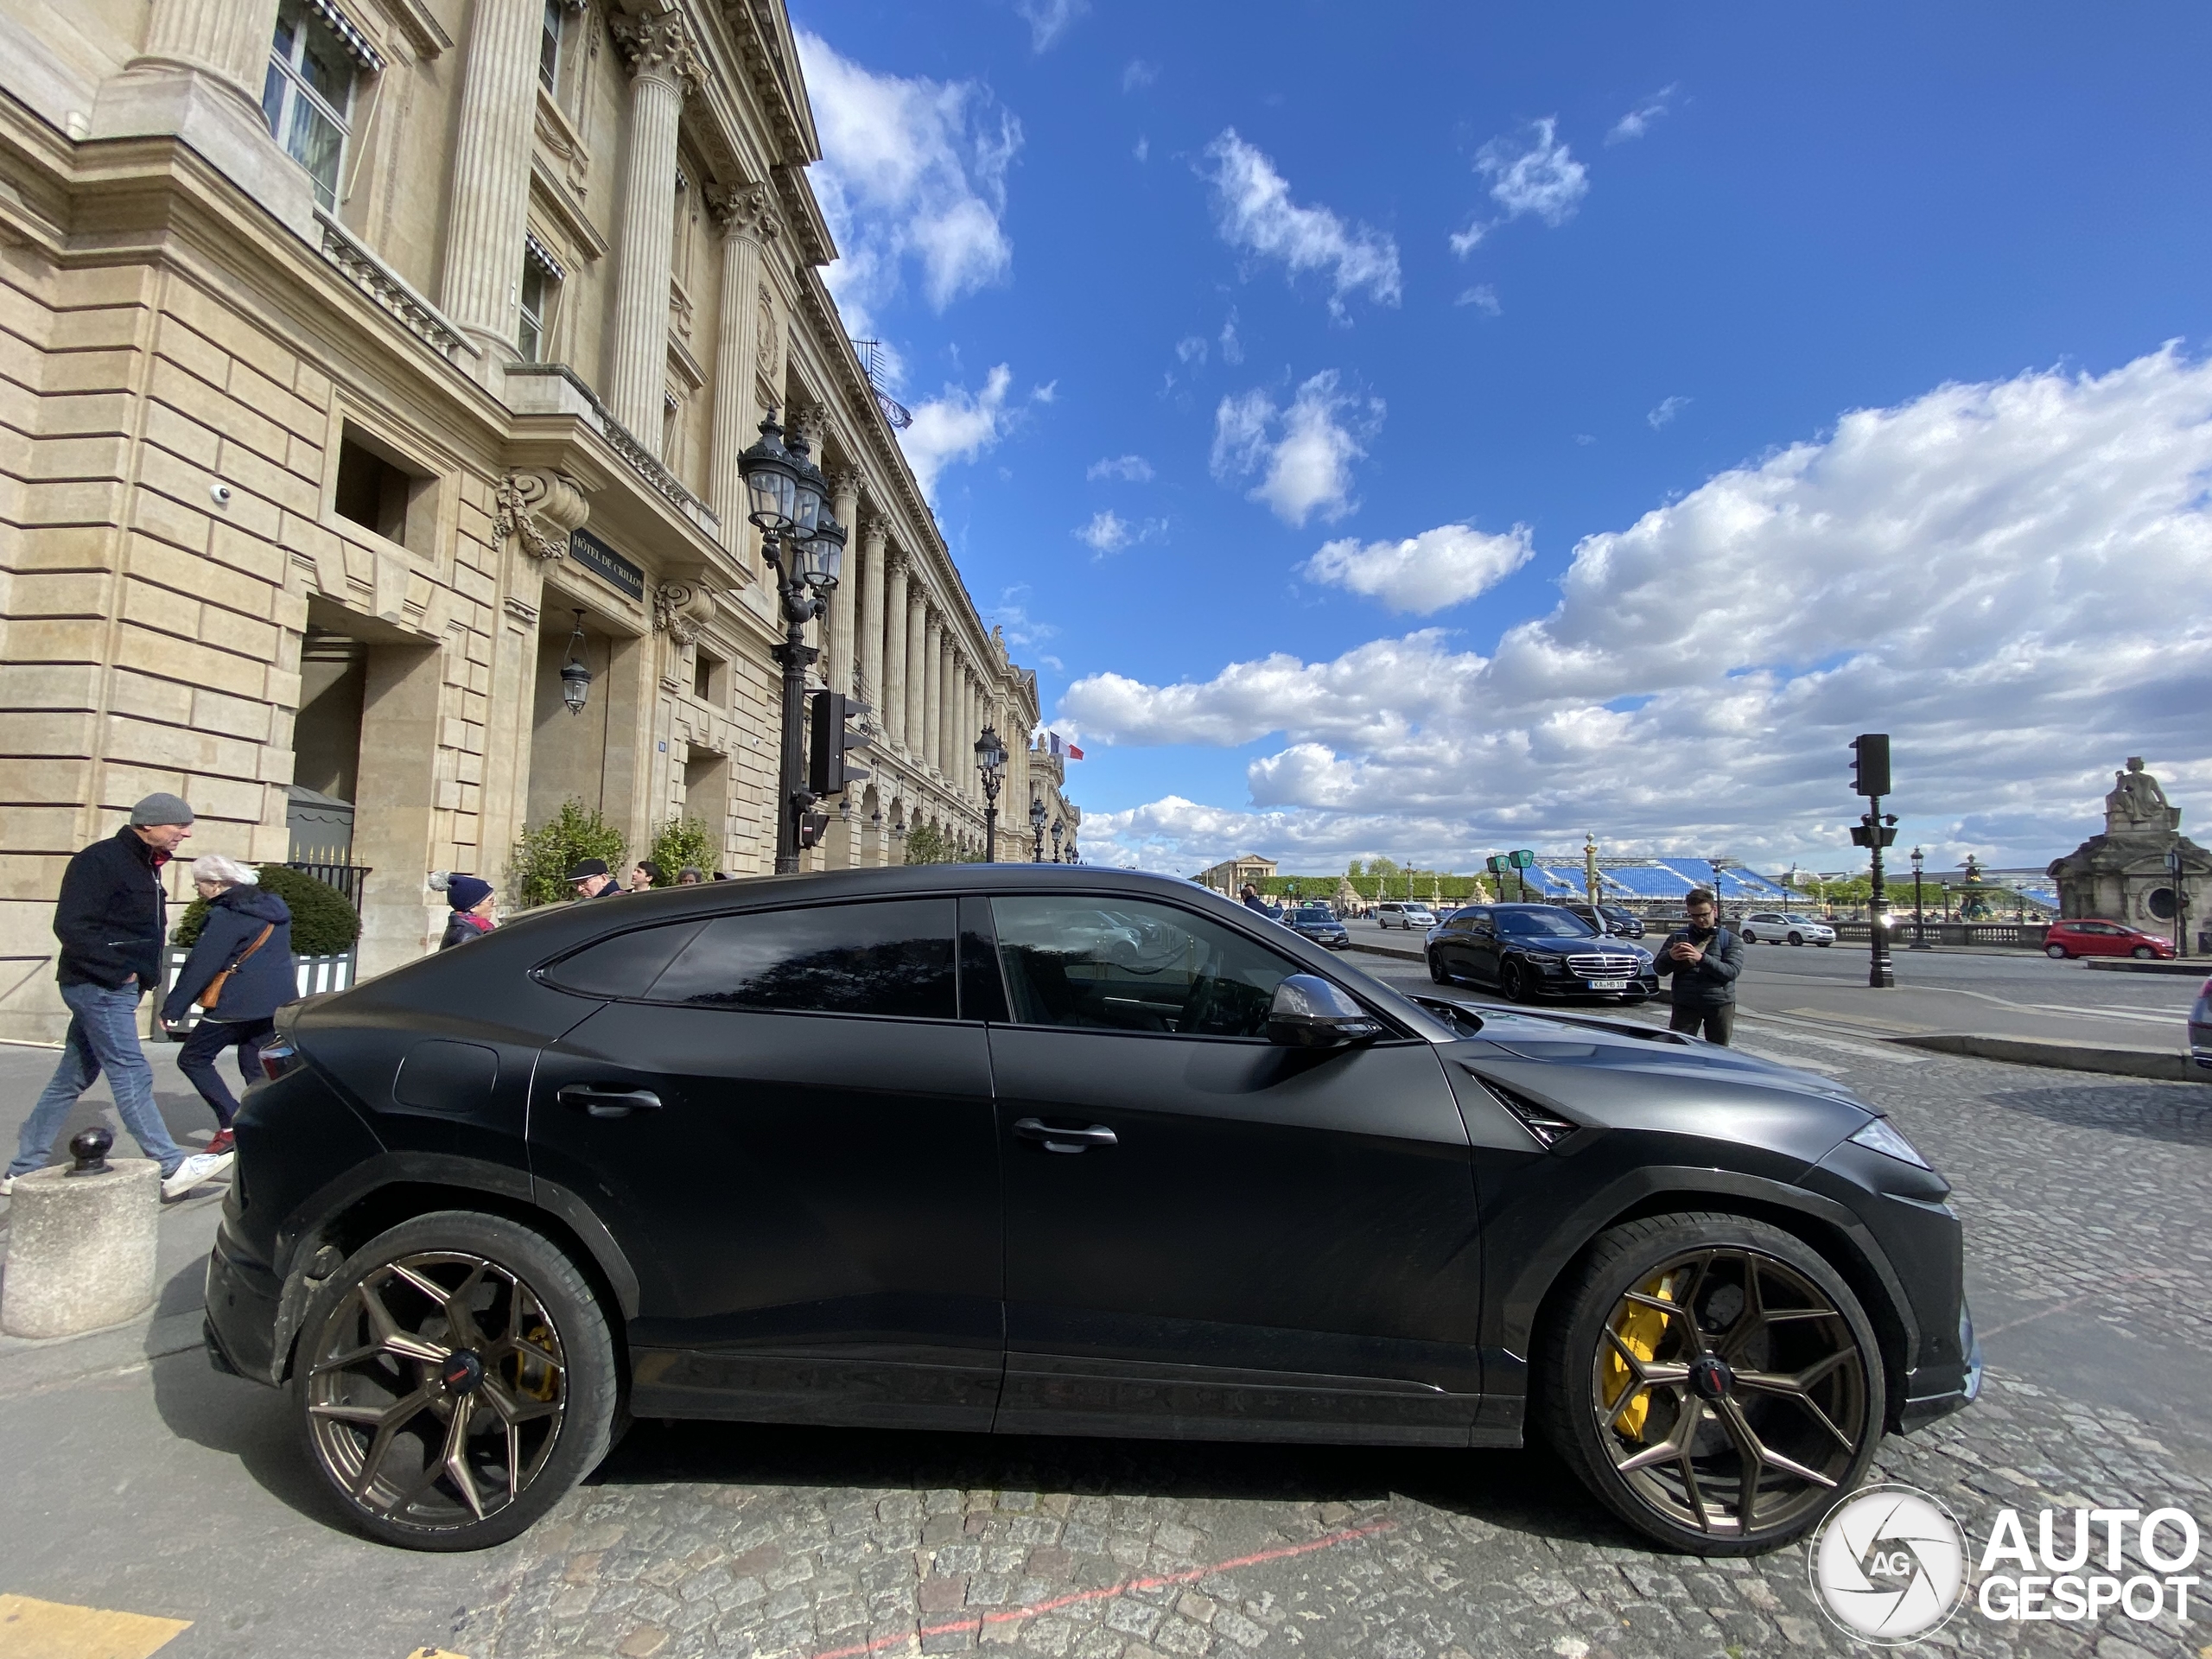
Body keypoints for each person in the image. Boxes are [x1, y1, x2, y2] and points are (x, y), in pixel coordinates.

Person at [5, 794, 231, 1200]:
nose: (186, 832)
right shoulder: (101, 860)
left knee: (72, 1077)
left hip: (114, 987)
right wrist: (118, 971)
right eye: (177, 825)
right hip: (100, 986)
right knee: (131, 1070)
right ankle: (170, 1165)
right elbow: (72, 926)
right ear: (146, 825)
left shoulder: (145, 864)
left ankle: (20, 1170)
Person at [160, 855, 295, 1157]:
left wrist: (173, 1008)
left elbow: (203, 964)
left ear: (218, 884)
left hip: (235, 1002)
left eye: (199, 884)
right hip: (274, 1000)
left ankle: (231, 1122)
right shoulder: (274, 908)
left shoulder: (228, 914)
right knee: (255, 1063)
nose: (197, 890)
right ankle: (269, 1126)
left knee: (193, 1059)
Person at [1654, 888, 1744, 1045]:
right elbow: (1659, 969)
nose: (1700, 920)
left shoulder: (1730, 939)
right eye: (1695, 916)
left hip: (1719, 1004)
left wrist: (1701, 958)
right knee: (1679, 1049)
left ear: (1714, 911)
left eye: (1705, 915)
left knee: (1719, 1051)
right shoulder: (1678, 937)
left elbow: (1731, 971)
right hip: (1686, 1004)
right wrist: (1671, 957)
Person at [438, 874, 496, 949]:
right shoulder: (468, 937)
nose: (495, 904)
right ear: (473, 907)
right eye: (490, 901)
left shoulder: (469, 928)